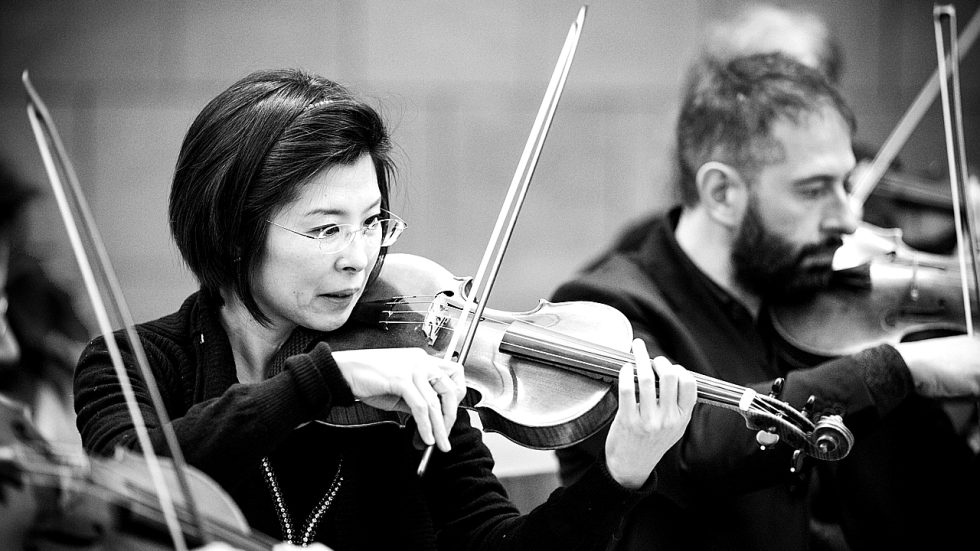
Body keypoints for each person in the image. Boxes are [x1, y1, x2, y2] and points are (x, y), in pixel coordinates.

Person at [72, 68, 698, 550]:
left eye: (372, 222)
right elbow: (127, 474)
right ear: (234, 232)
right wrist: (327, 379)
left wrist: (618, 476)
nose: (358, 257)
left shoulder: (415, 370)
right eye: (325, 229)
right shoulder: (137, 362)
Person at [550, 53, 980, 551]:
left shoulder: (846, 310)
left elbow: (952, 504)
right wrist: (894, 368)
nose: (849, 215)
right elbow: (694, 448)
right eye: (815, 190)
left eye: (846, 183)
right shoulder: (607, 314)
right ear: (723, 193)